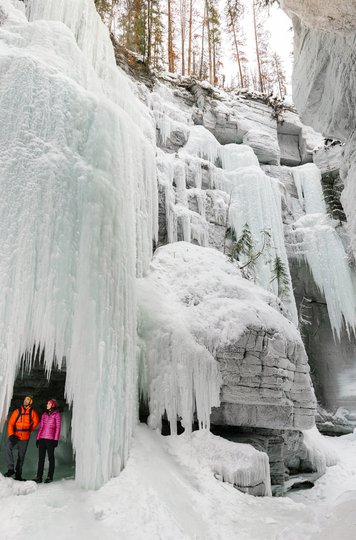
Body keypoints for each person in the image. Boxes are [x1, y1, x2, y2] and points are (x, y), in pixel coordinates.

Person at [4, 395, 40, 481]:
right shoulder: (17, 411)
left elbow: (36, 421)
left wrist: (30, 429)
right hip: (15, 436)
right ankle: (11, 469)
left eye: (27, 400)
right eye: (25, 399)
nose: (25, 401)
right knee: (7, 448)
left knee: (21, 456)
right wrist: (11, 434)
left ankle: (18, 475)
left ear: (30, 402)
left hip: (24, 438)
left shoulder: (32, 412)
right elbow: (11, 423)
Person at [33, 399, 61, 484]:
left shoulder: (57, 415)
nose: (47, 404)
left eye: (48, 403)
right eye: (47, 403)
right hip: (42, 439)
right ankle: (39, 477)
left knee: (50, 458)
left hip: (50, 439)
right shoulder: (44, 415)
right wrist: (38, 438)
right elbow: (41, 428)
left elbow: (58, 428)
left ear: (52, 405)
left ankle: (50, 476)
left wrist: (55, 440)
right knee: (41, 459)